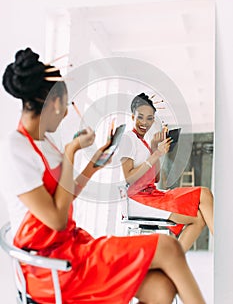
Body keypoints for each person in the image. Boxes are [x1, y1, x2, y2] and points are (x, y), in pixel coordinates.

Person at [0, 48, 206, 304]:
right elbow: (56, 219)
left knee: (161, 288)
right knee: (169, 247)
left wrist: (96, 161)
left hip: (71, 246)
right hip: (51, 266)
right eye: (66, 106)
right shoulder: (15, 149)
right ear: (54, 102)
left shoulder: (45, 142)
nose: (66, 114)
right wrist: (71, 153)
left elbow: (66, 192)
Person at [120, 93, 214, 252]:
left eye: (150, 118)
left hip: (152, 194)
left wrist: (155, 149)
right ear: (132, 116)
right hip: (139, 198)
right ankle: (226, 248)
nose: (144, 123)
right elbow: (129, 176)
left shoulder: (143, 142)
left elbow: (155, 178)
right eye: (140, 117)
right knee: (203, 194)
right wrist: (156, 154)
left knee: (199, 218)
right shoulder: (128, 139)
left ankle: (172, 261)